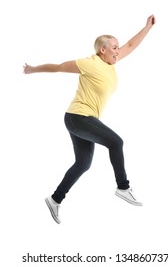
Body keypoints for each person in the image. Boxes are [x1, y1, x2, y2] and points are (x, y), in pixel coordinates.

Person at [23, 15, 155, 224]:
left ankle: (55, 199)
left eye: (118, 47)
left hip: (84, 119)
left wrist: (147, 27)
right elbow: (58, 67)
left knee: (83, 163)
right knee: (116, 142)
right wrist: (32, 69)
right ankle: (123, 187)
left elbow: (130, 45)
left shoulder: (111, 64)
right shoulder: (89, 63)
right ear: (103, 50)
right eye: (114, 47)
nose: (118, 51)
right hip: (78, 117)